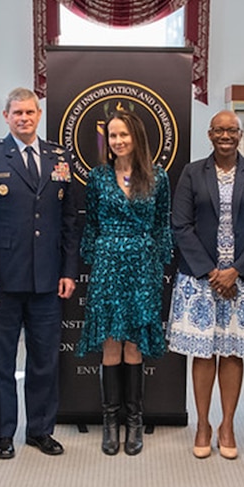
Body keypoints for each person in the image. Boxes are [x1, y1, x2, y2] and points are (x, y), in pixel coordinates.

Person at [0, 87, 80, 460]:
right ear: (5, 116)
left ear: (38, 113)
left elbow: (68, 221)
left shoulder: (58, 157)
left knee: (44, 359)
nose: (24, 118)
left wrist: (68, 270)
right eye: (17, 113)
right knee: (0, 362)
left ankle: (40, 430)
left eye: (30, 112)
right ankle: (2, 432)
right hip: (1, 281)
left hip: (47, 280)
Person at [168, 110, 244, 460]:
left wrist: (237, 271)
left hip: (242, 282)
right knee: (203, 352)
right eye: (220, 130)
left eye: (232, 130)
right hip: (201, 280)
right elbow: (180, 225)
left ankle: (227, 425)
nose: (226, 135)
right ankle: (202, 424)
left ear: (240, 135)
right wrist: (211, 271)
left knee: (231, 352)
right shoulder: (191, 173)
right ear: (210, 134)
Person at [79, 110, 172, 456]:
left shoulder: (158, 177)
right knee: (111, 344)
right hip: (107, 265)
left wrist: (157, 261)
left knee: (134, 344)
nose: (118, 141)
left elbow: (162, 223)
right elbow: (91, 225)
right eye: (113, 136)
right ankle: (109, 422)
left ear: (137, 137)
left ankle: (134, 422)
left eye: (124, 135)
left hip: (142, 266)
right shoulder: (98, 176)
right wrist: (95, 256)